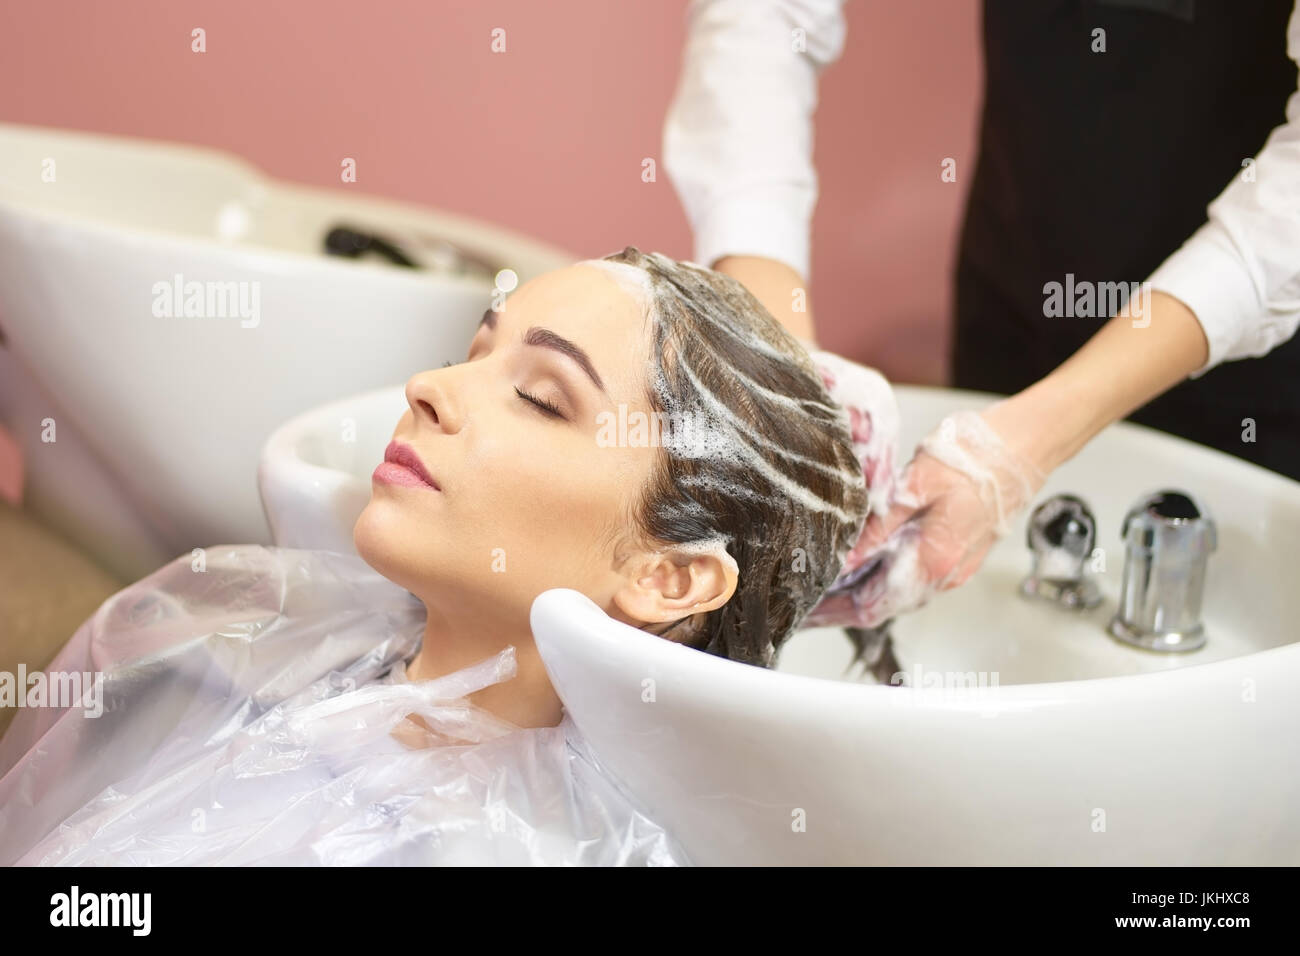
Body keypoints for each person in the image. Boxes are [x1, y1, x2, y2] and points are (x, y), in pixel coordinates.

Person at [0, 247, 890, 865]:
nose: (428, 389)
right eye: (475, 352)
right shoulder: (239, 646)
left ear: (667, 576)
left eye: (543, 399)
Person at [662, 0, 1300, 626]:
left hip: (1250, 367)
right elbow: (761, 18)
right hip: (1015, 287)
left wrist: (1027, 442)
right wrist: (780, 358)